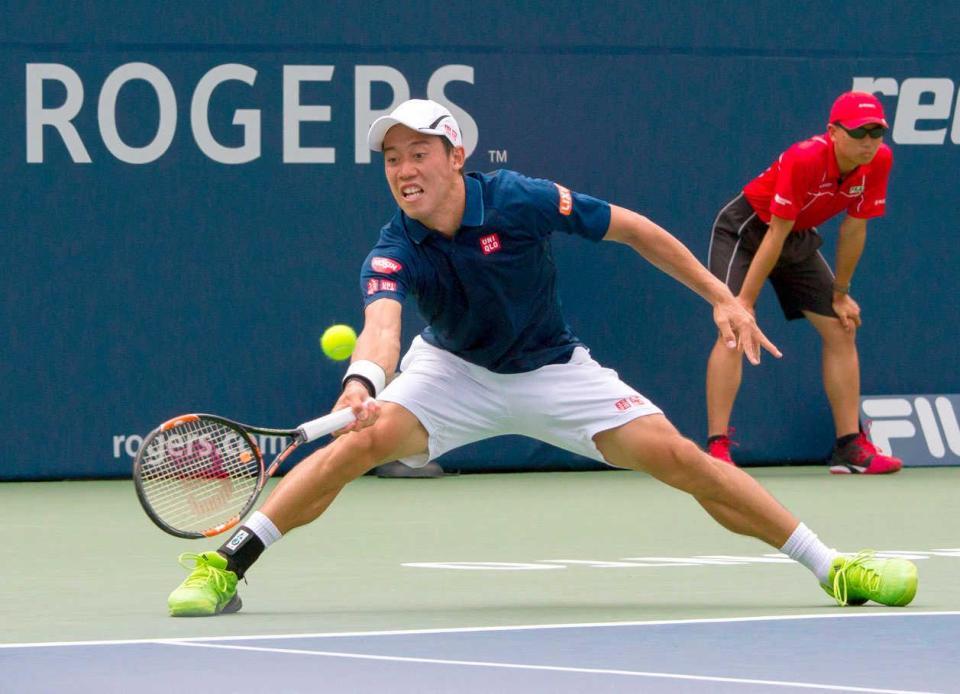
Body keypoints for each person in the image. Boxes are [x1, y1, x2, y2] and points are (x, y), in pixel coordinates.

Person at [167, 98, 917, 617]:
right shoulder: (395, 245)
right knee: (352, 446)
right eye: (392, 159)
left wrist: (719, 297)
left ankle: (835, 569)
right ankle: (223, 566)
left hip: (555, 370)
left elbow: (632, 229)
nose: (403, 170)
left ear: (455, 155)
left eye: (418, 153)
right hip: (452, 372)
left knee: (683, 460)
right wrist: (364, 381)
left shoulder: (520, 199)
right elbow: (382, 328)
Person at [705, 91, 902, 474]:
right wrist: (743, 301)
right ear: (833, 132)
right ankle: (717, 449)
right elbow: (773, 235)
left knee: (841, 328)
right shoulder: (805, 157)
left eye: (876, 133)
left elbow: (854, 228)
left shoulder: (879, 161)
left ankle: (849, 447)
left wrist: (841, 293)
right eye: (859, 133)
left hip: (795, 234)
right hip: (746, 231)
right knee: (733, 328)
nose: (868, 143)